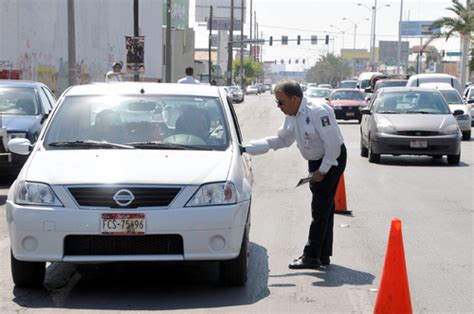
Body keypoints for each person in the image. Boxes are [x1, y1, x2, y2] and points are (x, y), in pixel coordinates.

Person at [246, 80, 347, 269]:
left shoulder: (318, 112)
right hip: (317, 160)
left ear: (294, 99)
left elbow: (333, 145)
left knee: (319, 208)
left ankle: (311, 256)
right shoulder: (292, 114)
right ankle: (322, 255)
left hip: (331, 159)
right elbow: (283, 139)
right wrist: (250, 147)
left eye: (281, 102)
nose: (278, 106)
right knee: (324, 208)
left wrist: (322, 171)